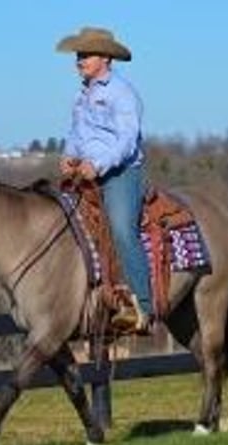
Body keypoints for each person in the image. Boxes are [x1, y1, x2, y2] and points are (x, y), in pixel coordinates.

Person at [56, 26, 153, 334]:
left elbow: (126, 140)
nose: (79, 60)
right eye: (78, 54)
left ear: (106, 58)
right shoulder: (82, 95)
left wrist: (97, 165)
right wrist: (68, 155)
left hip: (119, 174)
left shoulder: (122, 93)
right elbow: (76, 133)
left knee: (123, 230)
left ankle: (143, 307)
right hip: (83, 175)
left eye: (86, 54)